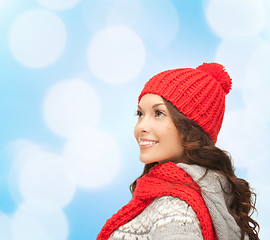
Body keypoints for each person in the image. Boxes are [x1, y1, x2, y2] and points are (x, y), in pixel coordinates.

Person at [97, 63, 260, 240]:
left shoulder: (175, 211)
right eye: (140, 114)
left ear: (192, 128)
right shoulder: (200, 191)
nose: (141, 126)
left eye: (159, 113)